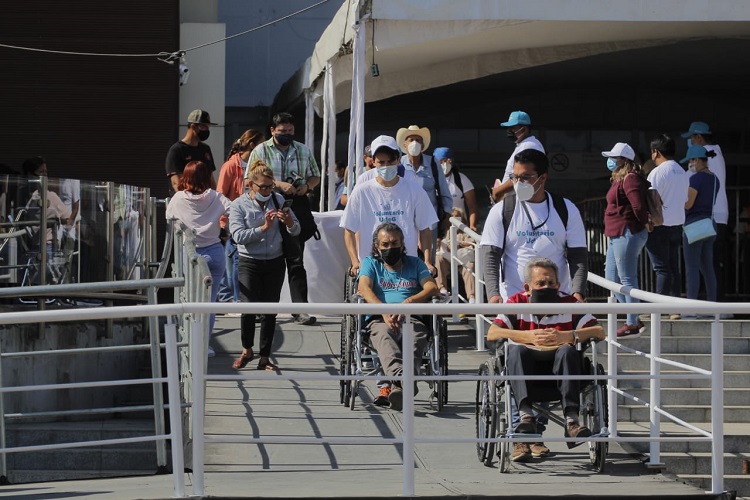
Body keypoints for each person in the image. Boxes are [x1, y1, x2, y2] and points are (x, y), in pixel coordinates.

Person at [480, 148, 587, 449]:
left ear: (543, 178)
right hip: (516, 304)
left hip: (555, 302)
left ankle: (535, 433)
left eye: (526, 177)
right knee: (517, 356)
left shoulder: (565, 209)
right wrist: (493, 294)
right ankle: (523, 436)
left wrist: (577, 292)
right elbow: (490, 255)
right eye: (515, 177)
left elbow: (578, 256)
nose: (519, 183)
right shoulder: (503, 210)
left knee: (558, 355)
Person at [486, 257, 604, 462]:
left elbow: (599, 331)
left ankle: (572, 422)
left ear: (558, 285)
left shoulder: (570, 303)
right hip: (526, 368)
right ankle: (525, 418)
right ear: (528, 287)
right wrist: (526, 336)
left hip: (562, 370)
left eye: (551, 282)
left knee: (567, 350)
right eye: (540, 283)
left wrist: (568, 336)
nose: (547, 287)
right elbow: (492, 333)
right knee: (517, 351)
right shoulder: (517, 302)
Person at [358, 222, 440, 411]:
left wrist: (409, 303)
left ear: (402, 243)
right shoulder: (371, 263)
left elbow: (431, 287)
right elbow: (364, 288)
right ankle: (405, 380)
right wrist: (384, 311)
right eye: (385, 244)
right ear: (377, 246)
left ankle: (399, 385)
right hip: (380, 319)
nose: (390, 248)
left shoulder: (415, 263)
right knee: (385, 336)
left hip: (411, 317)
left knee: (415, 338)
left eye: (395, 243)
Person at [249, 112, 320, 326]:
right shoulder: (260, 150)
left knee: (296, 261)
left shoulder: (303, 150)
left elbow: (315, 175)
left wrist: (306, 186)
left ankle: (300, 309)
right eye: (282, 131)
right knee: (268, 261)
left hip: (295, 207)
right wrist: (277, 185)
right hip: (269, 207)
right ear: (272, 131)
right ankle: (263, 309)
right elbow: (248, 180)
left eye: (290, 131)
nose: (286, 134)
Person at [229, 160, 300, 371]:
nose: (267, 191)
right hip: (249, 261)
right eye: (263, 187)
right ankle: (246, 350)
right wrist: (263, 228)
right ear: (251, 185)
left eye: (271, 186)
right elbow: (237, 236)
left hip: (275, 261)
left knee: (270, 310)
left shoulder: (278, 199)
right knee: (248, 308)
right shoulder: (238, 204)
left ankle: (265, 356)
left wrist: (288, 222)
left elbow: (296, 229)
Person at [341, 135, 438, 277]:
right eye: (381, 162)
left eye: (390, 161)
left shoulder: (414, 190)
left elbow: (425, 229)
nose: (386, 166)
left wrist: (427, 261)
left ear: (398, 159)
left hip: (407, 266)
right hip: (372, 267)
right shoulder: (362, 191)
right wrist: (355, 262)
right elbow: (349, 229)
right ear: (373, 162)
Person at [166, 161, 231, 357]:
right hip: (215, 252)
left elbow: (170, 218)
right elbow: (233, 210)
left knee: (189, 301)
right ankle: (204, 346)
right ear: (207, 177)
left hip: (190, 254)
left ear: (185, 177)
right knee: (209, 304)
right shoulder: (217, 197)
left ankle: (189, 344)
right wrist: (225, 228)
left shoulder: (178, 198)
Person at [602, 142, 650, 339]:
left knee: (627, 278)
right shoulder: (621, 178)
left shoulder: (630, 178)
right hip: (617, 234)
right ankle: (634, 317)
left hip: (627, 232)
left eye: (613, 158)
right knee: (610, 279)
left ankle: (632, 322)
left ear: (623, 160)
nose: (610, 161)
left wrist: (645, 223)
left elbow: (638, 206)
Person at [681, 121, 730, 306]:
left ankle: (693, 308)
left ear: (699, 137)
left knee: (695, 267)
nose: (691, 142)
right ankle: (716, 306)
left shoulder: (707, 155)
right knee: (710, 265)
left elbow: (688, 197)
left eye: (692, 139)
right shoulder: (716, 157)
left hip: (700, 219)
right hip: (713, 219)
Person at [216, 129, 264, 310]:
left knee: (239, 261)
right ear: (252, 145)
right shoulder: (231, 166)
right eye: (261, 144)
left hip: (252, 218)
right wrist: (223, 221)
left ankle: (236, 300)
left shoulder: (257, 166)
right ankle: (236, 301)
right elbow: (221, 194)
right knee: (236, 261)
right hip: (233, 219)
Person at [645, 134, 689, 310]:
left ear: (656, 152)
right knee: (673, 268)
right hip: (677, 225)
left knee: (662, 269)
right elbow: (685, 200)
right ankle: (674, 309)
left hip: (659, 226)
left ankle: (658, 309)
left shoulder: (657, 172)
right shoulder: (682, 172)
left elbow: (649, 199)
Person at [396, 125, 453, 256]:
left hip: (429, 221)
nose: (414, 143)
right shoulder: (399, 164)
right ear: (405, 145)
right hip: (405, 221)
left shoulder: (433, 163)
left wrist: (447, 215)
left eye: (418, 140)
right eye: (411, 139)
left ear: (422, 145)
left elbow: (444, 190)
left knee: (428, 258)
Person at [680, 145, 720, 311]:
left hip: (693, 227)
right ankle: (712, 307)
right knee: (708, 268)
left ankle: (691, 309)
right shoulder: (715, 179)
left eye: (690, 160)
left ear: (696, 160)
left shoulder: (696, 179)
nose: (690, 164)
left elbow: (688, 204)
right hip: (709, 225)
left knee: (692, 269)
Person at [491, 111, 545, 203]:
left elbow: (521, 176)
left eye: (513, 127)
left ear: (524, 129)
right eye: (508, 128)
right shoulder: (524, 145)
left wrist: (498, 191)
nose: (509, 131)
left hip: (521, 201)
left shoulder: (528, 146)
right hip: (516, 200)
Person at [165, 109, 218, 193]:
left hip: (205, 199)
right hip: (185, 199)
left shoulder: (205, 149)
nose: (207, 130)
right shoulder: (177, 150)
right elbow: (176, 183)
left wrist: (214, 197)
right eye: (204, 126)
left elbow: (211, 179)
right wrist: (189, 198)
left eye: (208, 127)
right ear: (193, 126)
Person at [433, 147, 479, 232]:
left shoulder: (462, 179)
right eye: (441, 161)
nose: (444, 164)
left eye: (447, 160)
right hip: (436, 227)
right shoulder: (429, 180)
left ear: (452, 161)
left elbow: (472, 206)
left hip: (458, 227)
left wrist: (472, 225)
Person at [436, 208, 476, 302]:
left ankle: (472, 297)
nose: (454, 219)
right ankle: (442, 289)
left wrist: (458, 244)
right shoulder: (445, 232)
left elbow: (471, 243)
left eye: (457, 217)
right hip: (449, 261)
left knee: (470, 266)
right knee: (438, 258)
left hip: (463, 261)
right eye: (452, 216)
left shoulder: (466, 232)